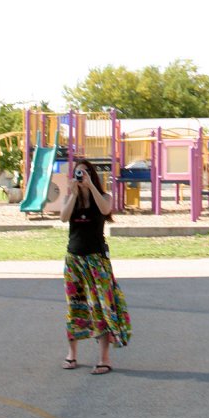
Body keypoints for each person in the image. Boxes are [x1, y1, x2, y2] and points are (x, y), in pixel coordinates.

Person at [60, 159, 131, 375]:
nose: (80, 176)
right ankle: (72, 354)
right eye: (78, 173)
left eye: (84, 173)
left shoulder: (103, 197)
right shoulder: (70, 198)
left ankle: (104, 359)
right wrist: (73, 193)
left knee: (101, 308)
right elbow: (63, 218)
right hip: (74, 260)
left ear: (91, 175)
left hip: (96, 261)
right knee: (75, 306)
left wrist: (90, 187)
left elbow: (105, 209)